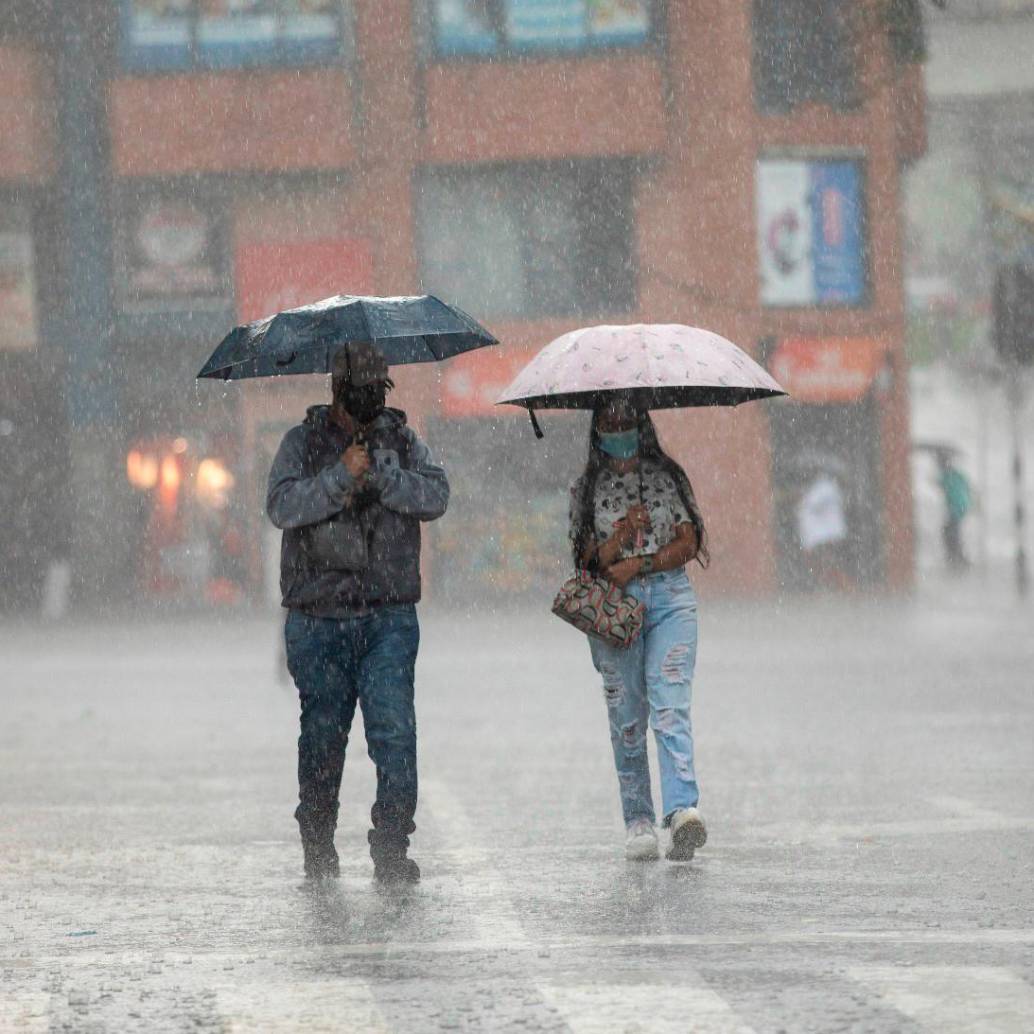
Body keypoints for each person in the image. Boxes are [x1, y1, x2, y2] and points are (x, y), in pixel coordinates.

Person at [266, 342, 449, 882]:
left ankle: (392, 844)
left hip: (388, 614)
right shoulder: (300, 443)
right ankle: (317, 842)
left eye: (379, 385)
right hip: (318, 617)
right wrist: (339, 477)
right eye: (361, 385)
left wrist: (385, 479)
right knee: (322, 738)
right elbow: (281, 506)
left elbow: (436, 496)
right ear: (336, 389)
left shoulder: (404, 440)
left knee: (394, 733)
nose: (371, 396)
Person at [568, 397, 708, 862]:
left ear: (641, 424)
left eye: (627, 421)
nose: (619, 429)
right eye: (610, 423)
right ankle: (639, 820)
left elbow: (690, 541)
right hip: (615, 610)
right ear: (598, 430)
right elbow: (587, 560)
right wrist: (620, 537)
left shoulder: (667, 477)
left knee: (670, 705)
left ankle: (682, 809)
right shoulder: (586, 490)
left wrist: (643, 562)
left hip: (670, 600)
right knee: (628, 719)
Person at [795, 470, 851, 591]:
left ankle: (844, 585)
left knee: (826, 562)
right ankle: (837, 586)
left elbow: (812, 504)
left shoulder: (824, 488)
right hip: (825, 534)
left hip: (824, 535)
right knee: (824, 563)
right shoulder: (828, 488)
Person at [936, 452, 971, 570]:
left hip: (956, 507)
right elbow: (967, 485)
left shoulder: (946, 475)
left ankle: (955, 556)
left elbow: (940, 484)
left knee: (950, 531)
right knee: (952, 530)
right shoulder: (955, 473)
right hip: (962, 505)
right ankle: (957, 556)